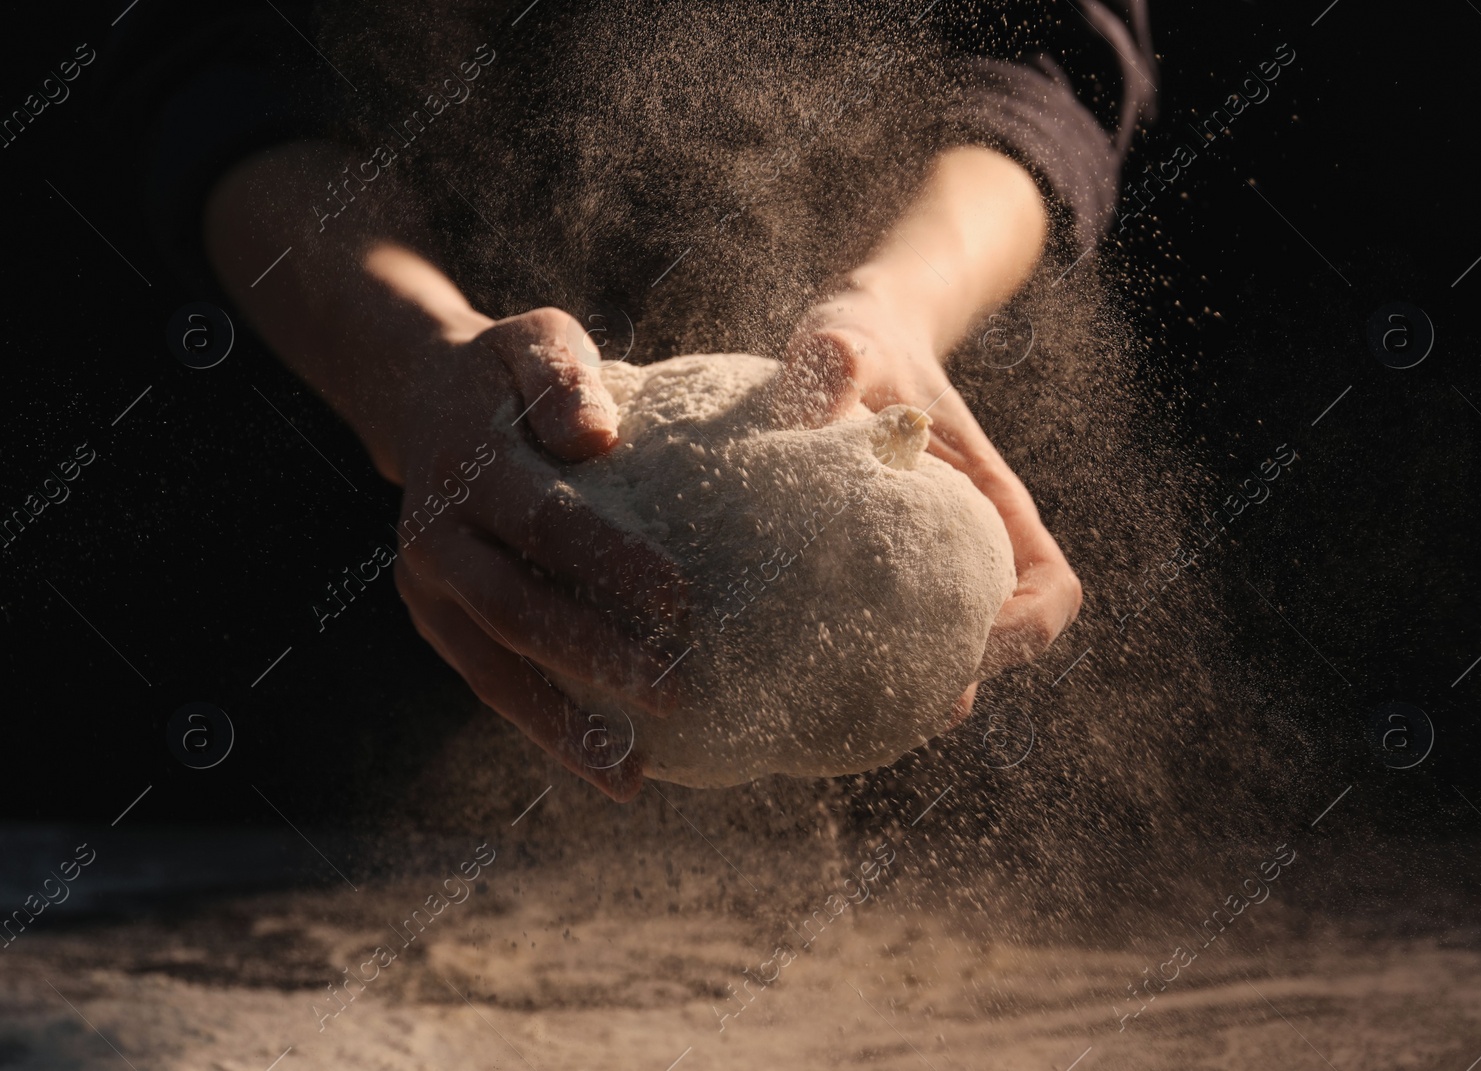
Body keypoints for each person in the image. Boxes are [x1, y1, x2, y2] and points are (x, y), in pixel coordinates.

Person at [110, 0, 1155, 800]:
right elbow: (212, 64)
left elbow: (1044, 58)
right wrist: (417, 364)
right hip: (281, 582)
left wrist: (902, 300)